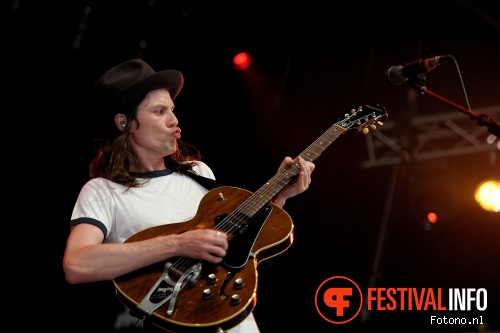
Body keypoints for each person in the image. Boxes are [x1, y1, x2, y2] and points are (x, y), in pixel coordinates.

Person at [63, 58, 315, 333]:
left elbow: (239, 247)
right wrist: (178, 244)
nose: (174, 120)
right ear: (125, 123)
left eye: (172, 109)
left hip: (233, 320)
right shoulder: (102, 191)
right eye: (159, 112)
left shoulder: (198, 171)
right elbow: (76, 264)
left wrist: (280, 196)